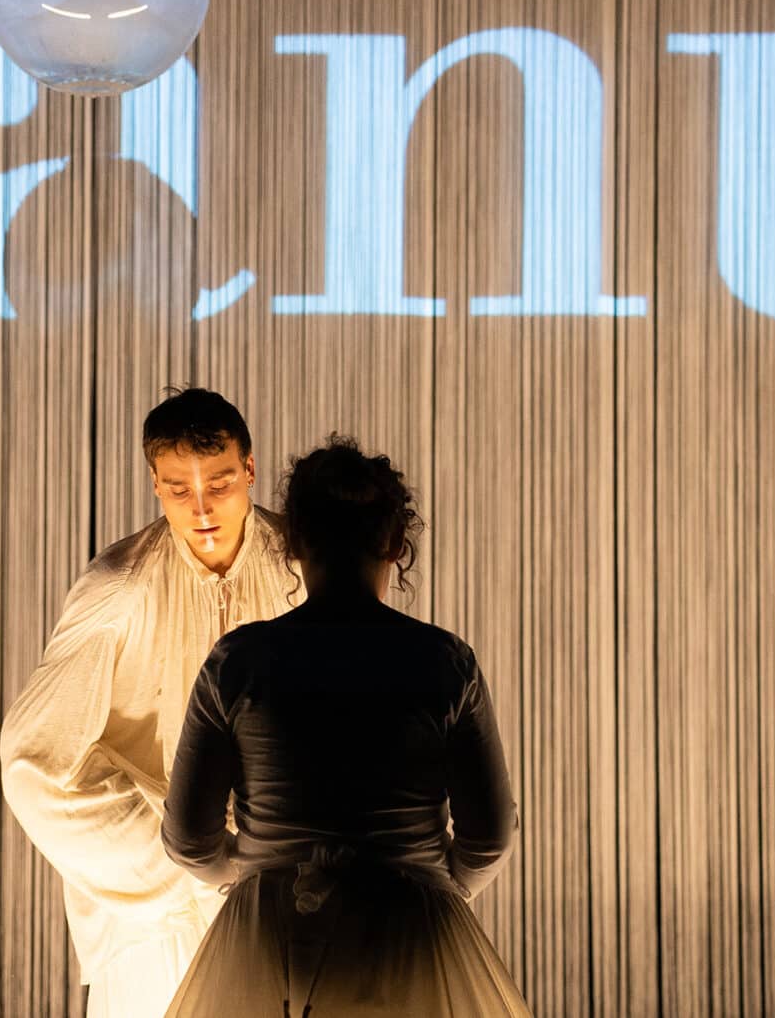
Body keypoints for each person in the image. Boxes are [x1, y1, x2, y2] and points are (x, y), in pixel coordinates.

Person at [159, 436, 529, 1017]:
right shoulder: (443, 662)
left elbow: (187, 839)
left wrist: (263, 873)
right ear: (396, 542)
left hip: (274, 936)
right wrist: (426, 885)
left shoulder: (238, 662)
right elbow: (489, 838)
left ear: (291, 541)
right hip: (407, 934)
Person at [0, 388, 304, 1018]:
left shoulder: (301, 569)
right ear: (154, 484)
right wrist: (176, 867)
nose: (201, 509)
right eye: (178, 489)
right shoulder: (119, 587)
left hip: (286, 890)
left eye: (219, 483)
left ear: (250, 469)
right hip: (159, 919)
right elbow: (35, 762)